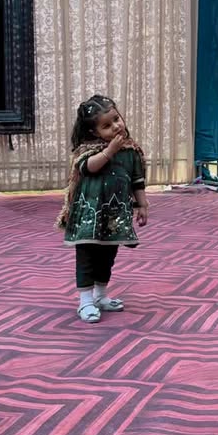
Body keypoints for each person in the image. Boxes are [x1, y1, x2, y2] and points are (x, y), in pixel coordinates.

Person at [57, 94, 148, 323]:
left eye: (116, 119)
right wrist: (109, 152)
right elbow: (88, 167)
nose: (116, 126)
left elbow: (137, 181)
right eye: (106, 126)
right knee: (87, 256)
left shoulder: (131, 151)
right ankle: (85, 302)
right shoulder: (87, 149)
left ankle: (100, 296)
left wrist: (142, 204)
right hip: (88, 215)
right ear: (94, 132)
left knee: (108, 256)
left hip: (114, 216)